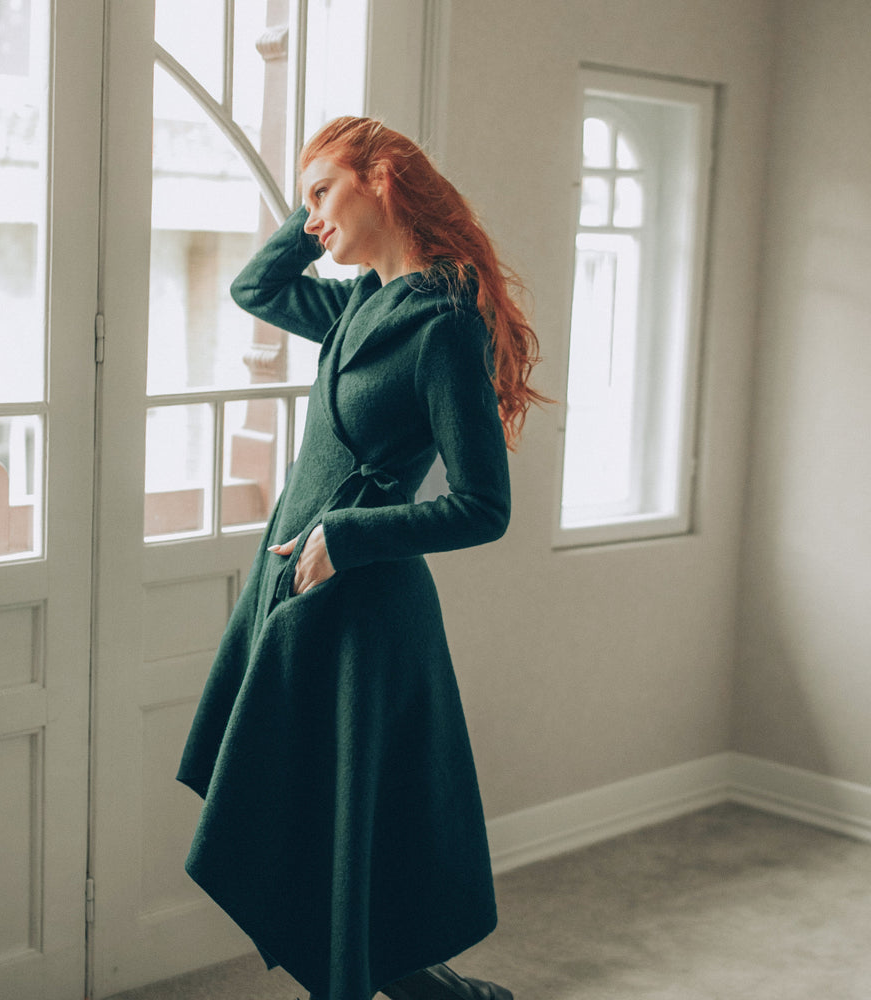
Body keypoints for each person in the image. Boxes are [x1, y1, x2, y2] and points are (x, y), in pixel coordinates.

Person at [177, 116, 548, 1000]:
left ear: (381, 179)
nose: (312, 219)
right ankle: (442, 994)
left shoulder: (445, 324)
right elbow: (255, 287)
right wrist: (315, 213)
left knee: (347, 832)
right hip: (297, 598)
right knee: (318, 827)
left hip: (364, 612)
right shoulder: (355, 306)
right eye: (305, 201)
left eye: (323, 193)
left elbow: (484, 507)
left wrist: (348, 536)